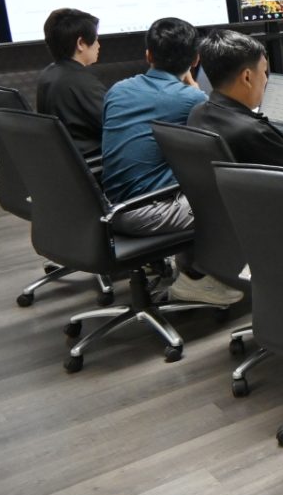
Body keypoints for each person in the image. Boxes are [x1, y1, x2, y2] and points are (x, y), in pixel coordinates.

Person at [102, 17, 241, 305]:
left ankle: (192, 273)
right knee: (234, 199)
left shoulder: (117, 90)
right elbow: (217, 128)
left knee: (194, 182)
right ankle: (198, 279)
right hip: (146, 211)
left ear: (148, 55)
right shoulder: (190, 99)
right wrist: (194, 88)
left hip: (111, 206)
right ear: (196, 59)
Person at [187, 29, 283, 167]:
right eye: (263, 72)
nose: (266, 79)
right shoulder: (254, 132)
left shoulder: (197, 112)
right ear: (247, 77)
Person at [35, 8, 106, 158]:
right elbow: (116, 125)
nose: (99, 45)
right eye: (96, 39)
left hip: (66, 161)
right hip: (93, 161)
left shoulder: (48, 74)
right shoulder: (82, 83)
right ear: (80, 43)